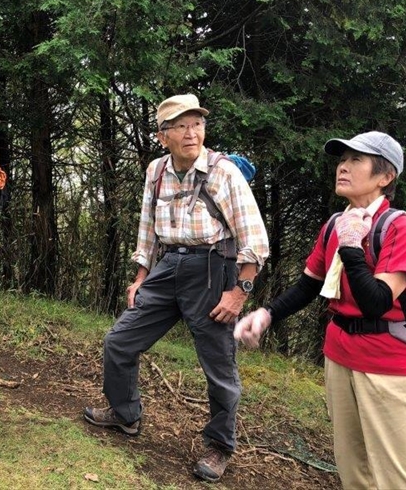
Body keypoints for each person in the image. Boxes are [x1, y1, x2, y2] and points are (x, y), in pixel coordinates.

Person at [83, 94, 269, 483]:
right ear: (162, 135)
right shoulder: (156, 170)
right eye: (181, 126)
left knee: (218, 363)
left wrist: (238, 293)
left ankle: (219, 446)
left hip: (212, 268)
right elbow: (147, 227)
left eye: (197, 124)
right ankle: (125, 413)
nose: (191, 133)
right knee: (120, 340)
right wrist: (141, 276)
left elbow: (254, 238)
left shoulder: (223, 173)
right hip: (168, 266)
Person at [234, 131, 406, 489]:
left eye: (356, 160)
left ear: (386, 176)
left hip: (391, 368)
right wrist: (267, 314)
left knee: (399, 479)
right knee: (353, 470)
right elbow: (309, 285)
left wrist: (353, 247)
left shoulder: (402, 229)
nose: (343, 167)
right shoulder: (336, 225)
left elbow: (377, 302)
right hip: (340, 358)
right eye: (342, 159)